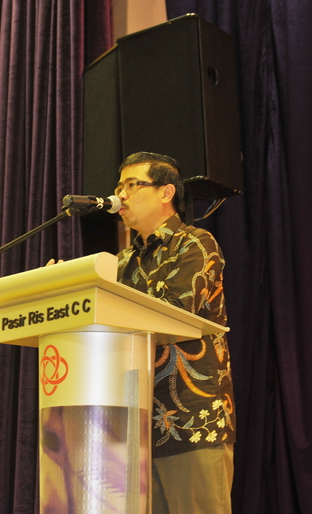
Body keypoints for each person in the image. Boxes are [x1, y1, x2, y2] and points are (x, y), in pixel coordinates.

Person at [114, 151, 235, 514]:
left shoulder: (195, 243)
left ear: (166, 192)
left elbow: (175, 311)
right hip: (137, 422)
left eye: (132, 185)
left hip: (191, 418)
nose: (121, 195)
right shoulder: (122, 261)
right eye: (119, 187)